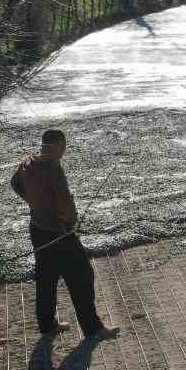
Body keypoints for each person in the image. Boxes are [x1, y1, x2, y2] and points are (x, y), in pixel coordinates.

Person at [10, 129, 111, 338]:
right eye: (63, 147)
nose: (64, 151)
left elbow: (15, 184)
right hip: (60, 233)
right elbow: (65, 202)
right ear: (56, 147)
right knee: (82, 277)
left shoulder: (28, 163)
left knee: (46, 278)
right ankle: (93, 329)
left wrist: (34, 204)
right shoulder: (53, 169)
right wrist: (71, 223)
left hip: (37, 229)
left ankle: (47, 326)